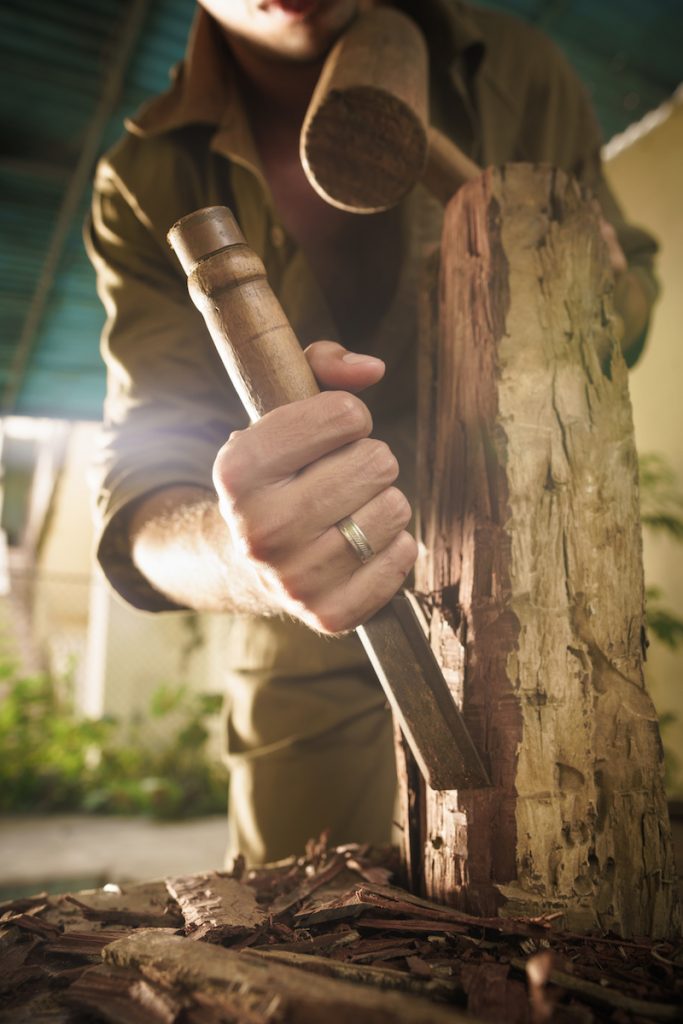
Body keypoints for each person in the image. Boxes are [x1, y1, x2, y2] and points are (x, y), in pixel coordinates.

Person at [86, 0, 659, 865]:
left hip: (544, 599)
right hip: (315, 635)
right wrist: (250, 556)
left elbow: (628, 313)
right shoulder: (142, 179)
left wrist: (602, 284)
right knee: (318, 933)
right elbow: (141, 493)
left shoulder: (523, 73)